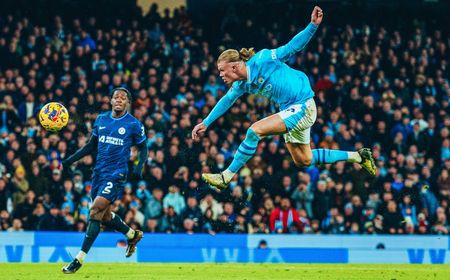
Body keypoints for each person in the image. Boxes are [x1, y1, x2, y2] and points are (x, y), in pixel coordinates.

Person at [192, 6, 376, 190]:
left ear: (233, 67)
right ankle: (359, 157)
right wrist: (206, 123)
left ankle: (226, 176)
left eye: (222, 70)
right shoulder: (242, 84)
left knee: (254, 131)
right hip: (291, 110)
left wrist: (312, 26)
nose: (220, 75)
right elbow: (227, 100)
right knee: (304, 160)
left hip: (303, 105)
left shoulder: (262, 59)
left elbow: (290, 48)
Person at [61, 88, 148, 274]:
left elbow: (143, 148)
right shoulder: (101, 119)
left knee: (94, 211)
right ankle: (132, 235)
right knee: (105, 216)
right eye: (116, 97)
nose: (119, 100)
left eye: (123, 98)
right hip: (98, 174)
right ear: (110, 101)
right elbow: (90, 146)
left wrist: (139, 167)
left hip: (116, 174)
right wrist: (70, 160)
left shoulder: (133, 124)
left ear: (127, 103)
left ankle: (79, 259)